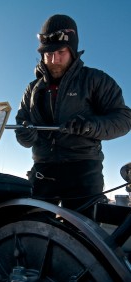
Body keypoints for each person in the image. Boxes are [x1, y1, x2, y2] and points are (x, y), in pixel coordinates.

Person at [14, 14, 131, 218]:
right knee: (32, 225)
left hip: (83, 170)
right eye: (47, 54)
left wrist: (89, 126)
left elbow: (124, 120)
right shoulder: (32, 90)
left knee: (81, 234)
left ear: (73, 51)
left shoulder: (96, 80)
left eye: (60, 52)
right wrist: (25, 135)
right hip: (43, 169)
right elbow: (21, 129)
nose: (53, 59)